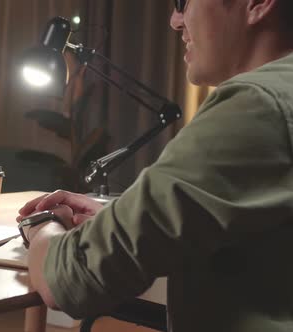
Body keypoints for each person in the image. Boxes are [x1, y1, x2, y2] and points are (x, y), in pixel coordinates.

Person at [17, 0, 293, 331]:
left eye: (183, 2)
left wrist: (42, 224)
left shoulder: (257, 106)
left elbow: (71, 279)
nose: (176, 21)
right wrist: (122, 217)